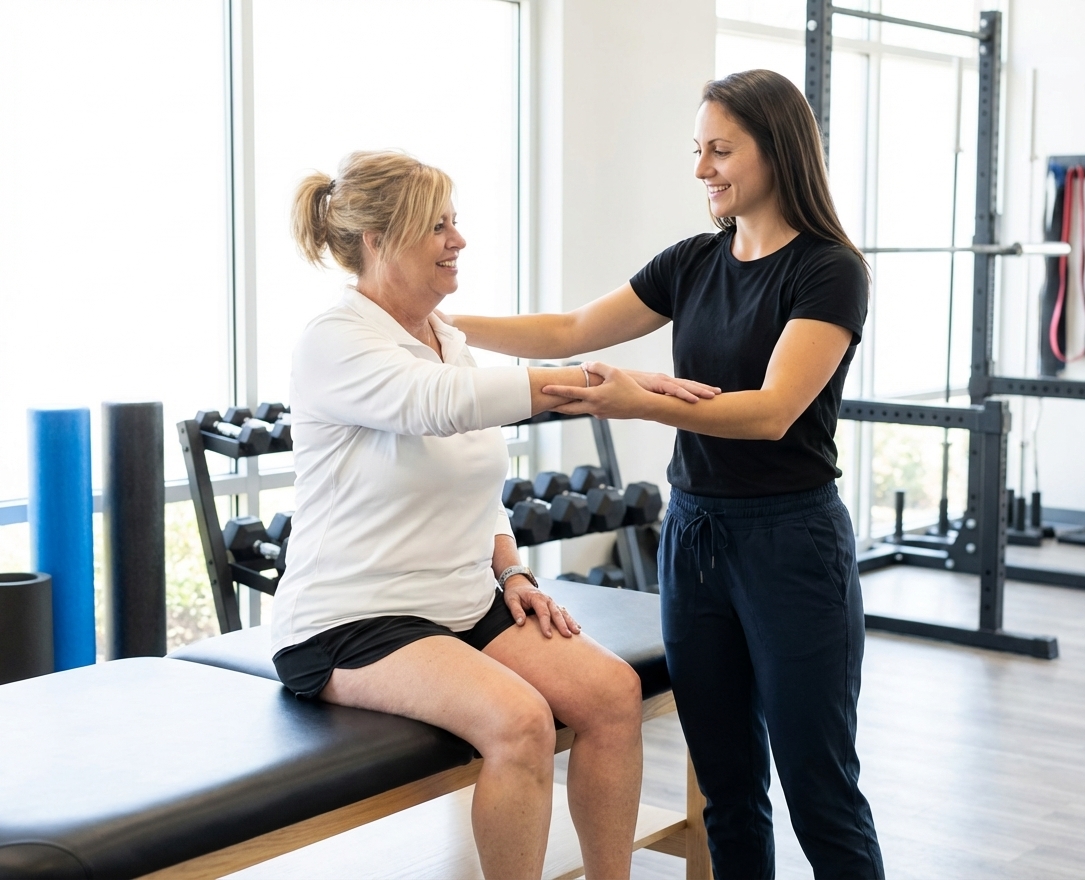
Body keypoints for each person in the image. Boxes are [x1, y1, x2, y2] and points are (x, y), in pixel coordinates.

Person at [448, 70, 885, 878]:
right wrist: (429, 320)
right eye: (699, 150)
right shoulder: (694, 263)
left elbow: (772, 411)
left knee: (819, 788)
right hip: (694, 538)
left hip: (791, 542)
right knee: (725, 788)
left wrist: (637, 403)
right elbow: (571, 327)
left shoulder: (828, 270)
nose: (702, 169)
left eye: (721, 150)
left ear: (777, 150)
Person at [270, 150, 714, 879]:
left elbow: (477, 481)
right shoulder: (337, 339)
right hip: (351, 619)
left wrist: (511, 571)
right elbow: (439, 407)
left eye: (456, 222)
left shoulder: (447, 340)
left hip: (462, 601)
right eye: (436, 226)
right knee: (520, 721)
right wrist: (603, 382)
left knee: (610, 694)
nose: (458, 241)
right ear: (379, 240)